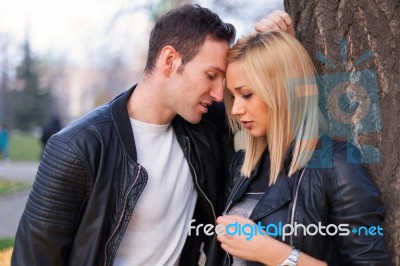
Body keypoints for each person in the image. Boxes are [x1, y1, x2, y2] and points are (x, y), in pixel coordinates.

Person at [12, 4, 236, 266]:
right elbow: (34, 258)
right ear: (169, 61)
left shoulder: (205, 128)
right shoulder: (78, 148)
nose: (219, 93)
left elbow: (265, 95)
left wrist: (277, 39)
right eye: (211, 76)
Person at [216, 31, 393, 265]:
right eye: (232, 96)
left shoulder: (337, 164)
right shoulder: (242, 165)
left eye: (246, 94)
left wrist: (278, 255)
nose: (236, 109)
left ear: (282, 91)